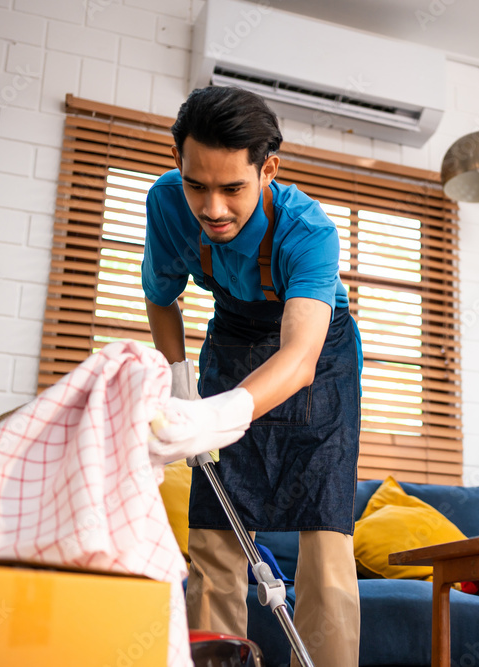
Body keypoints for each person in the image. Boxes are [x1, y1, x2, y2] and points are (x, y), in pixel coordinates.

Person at [141, 86, 361, 667]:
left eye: (233, 188)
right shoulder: (165, 204)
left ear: (268, 170)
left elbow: (299, 355)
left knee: (325, 533)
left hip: (318, 355)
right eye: (197, 185)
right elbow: (162, 297)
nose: (212, 208)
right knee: (213, 529)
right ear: (177, 164)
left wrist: (221, 413)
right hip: (232, 339)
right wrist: (181, 380)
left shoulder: (307, 232)